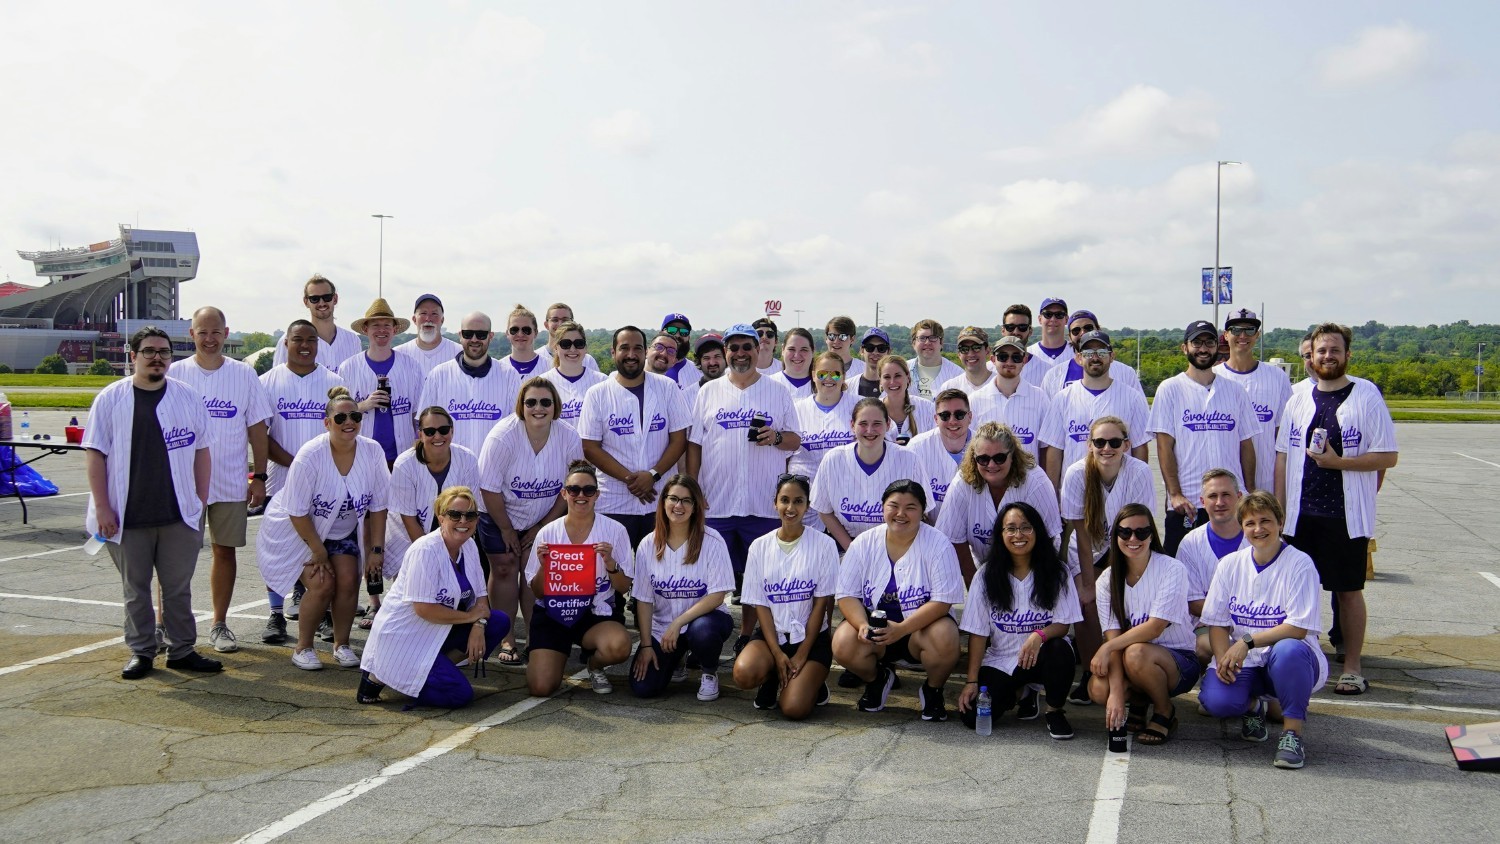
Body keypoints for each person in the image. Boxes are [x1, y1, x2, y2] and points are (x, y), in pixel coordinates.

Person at [84, 326, 218, 679]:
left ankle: (182, 650)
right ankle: (142, 651)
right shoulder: (111, 399)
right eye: (149, 351)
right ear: (133, 356)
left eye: (164, 352)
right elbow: (95, 455)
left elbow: (202, 451)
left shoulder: (187, 397)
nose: (157, 357)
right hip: (126, 515)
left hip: (177, 514)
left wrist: (200, 501)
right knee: (136, 590)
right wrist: (102, 507)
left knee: (177, 589)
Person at [1275, 322, 1398, 697]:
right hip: (1300, 515)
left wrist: (1337, 463)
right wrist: (1279, 512)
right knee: (1296, 592)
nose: (1327, 356)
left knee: (1347, 591)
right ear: (1310, 355)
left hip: (1345, 516)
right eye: (1321, 350)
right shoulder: (1298, 398)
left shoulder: (1366, 395)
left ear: (1347, 355)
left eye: (1335, 350)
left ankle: (1353, 668)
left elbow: (1388, 456)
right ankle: (1304, 659)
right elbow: (1283, 457)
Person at [255, 386, 390, 670]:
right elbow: (297, 510)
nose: (349, 422)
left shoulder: (372, 451)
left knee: (350, 580)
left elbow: (378, 507)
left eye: (355, 416)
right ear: (327, 422)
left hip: (341, 530)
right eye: (340, 418)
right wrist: (317, 550)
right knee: (322, 584)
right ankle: (303, 647)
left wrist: (376, 549)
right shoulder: (310, 455)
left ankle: (341, 645)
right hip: (298, 532)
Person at [685, 323, 801, 643]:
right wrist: (694, 489)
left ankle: (749, 635)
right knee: (707, 577)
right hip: (717, 503)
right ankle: (700, 638)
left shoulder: (777, 390)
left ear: (758, 349)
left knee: (757, 579)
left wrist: (775, 437)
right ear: (725, 352)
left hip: (763, 503)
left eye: (746, 347)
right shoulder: (707, 392)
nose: (740, 354)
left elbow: (794, 440)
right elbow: (694, 443)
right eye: (733, 348)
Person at [1200, 492, 1329, 769]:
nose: (1258, 529)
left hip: (1288, 660)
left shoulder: (1300, 563)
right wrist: (1224, 660)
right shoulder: (1230, 565)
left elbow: (1297, 628)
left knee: (1290, 650)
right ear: (1242, 528)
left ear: (1280, 522)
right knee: (1216, 702)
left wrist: (1246, 641)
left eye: (1265, 521)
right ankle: (1252, 707)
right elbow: (1217, 622)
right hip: (1245, 660)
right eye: (1250, 523)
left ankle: (1292, 734)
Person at [171, 306, 272, 654]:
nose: (209, 339)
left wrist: (259, 476)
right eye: (202, 332)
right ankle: (163, 624)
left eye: (216, 332)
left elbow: (258, 429)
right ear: (191, 334)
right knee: (173, 556)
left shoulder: (244, 375)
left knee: (224, 550)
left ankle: (219, 623)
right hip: (183, 484)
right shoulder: (175, 374)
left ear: (226, 334)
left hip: (230, 481)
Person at [357, 486, 512, 708]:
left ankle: (431, 670)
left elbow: (481, 599)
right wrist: (471, 618)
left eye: (470, 515)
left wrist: (479, 624)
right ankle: (382, 675)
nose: (463, 520)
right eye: (455, 514)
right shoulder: (425, 550)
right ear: (441, 518)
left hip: (436, 631)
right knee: (460, 696)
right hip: (405, 639)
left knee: (498, 621)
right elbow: (424, 610)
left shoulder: (468, 546)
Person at [833, 480, 964, 720]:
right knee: (843, 641)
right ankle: (878, 679)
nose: (901, 514)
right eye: (893, 505)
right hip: (878, 633)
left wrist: (902, 629)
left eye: (911, 507)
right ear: (882, 507)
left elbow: (943, 601)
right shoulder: (864, 542)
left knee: (945, 636)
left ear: (922, 512)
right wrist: (862, 625)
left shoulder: (938, 543)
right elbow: (847, 594)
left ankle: (933, 689)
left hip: (920, 631)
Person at [956, 502, 1083, 739]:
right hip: (1002, 659)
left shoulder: (1057, 571)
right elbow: (977, 633)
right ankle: (1020, 692)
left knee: (1060, 649)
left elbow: (1064, 623)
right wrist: (971, 681)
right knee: (973, 717)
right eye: (1010, 529)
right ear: (1001, 535)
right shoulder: (986, 575)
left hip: (1042, 655)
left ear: (1037, 531)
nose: (1018, 535)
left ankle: (1054, 710)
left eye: (1026, 527)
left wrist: (1039, 635)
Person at [480, 378, 584, 666]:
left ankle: (536, 638)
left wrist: (541, 528)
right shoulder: (502, 436)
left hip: (544, 515)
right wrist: (506, 529)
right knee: (504, 568)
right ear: (521, 406)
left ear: (555, 406)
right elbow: (488, 488)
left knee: (532, 569)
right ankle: (507, 637)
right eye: (531, 402)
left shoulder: (568, 436)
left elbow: (571, 486)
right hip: (500, 513)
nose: (538, 408)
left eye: (545, 402)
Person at [1059, 415, 1157, 704]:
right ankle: (1093, 670)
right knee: (1087, 601)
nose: (1107, 448)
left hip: (1129, 545)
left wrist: (1113, 577)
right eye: (1099, 442)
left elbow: (1138, 526)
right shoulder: (1076, 473)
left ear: (1126, 444)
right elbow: (1080, 532)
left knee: (1121, 599)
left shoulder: (1138, 471)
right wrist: (1090, 583)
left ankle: (1129, 668)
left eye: (1114, 442)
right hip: (1086, 548)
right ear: (1089, 444)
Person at [258, 319, 345, 642]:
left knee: (322, 548)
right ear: (286, 344)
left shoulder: (334, 382)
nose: (305, 345)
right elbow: (260, 436)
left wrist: (315, 469)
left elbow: (344, 430)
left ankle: (322, 614)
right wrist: (298, 466)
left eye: (311, 339)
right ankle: (276, 615)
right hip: (281, 481)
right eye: (298, 339)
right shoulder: (267, 382)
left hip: (327, 484)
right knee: (278, 550)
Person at [1088, 505, 1199, 747]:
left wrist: (1106, 648)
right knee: (1099, 689)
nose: (1133, 539)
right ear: (1115, 535)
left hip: (1178, 661)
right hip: (1132, 659)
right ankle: (1138, 702)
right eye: (1125, 533)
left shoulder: (1171, 569)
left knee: (1135, 652)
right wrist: (1116, 694)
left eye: (1141, 532)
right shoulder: (1107, 579)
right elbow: (1114, 639)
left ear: (1152, 534)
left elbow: (1154, 628)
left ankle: (1164, 711)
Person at [1150, 320, 1261, 555]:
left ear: (1217, 347)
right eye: (1196, 342)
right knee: (1182, 573)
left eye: (1209, 342)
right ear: (1185, 348)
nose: (1203, 348)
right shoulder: (1170, 389)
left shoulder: (1235, 390)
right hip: (1188, 502)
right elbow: (1164, 447)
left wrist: (1248, 489)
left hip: (1231, 501)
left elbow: (1246, 444)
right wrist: (1175, 494)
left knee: (1234, 569)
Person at [733, 474, 839, 719]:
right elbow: (761, 607)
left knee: (793, 709)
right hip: (774, 635)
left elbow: (821, 605)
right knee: (743, 674)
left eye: (798, 501)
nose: (791, 508)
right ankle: (771, 675)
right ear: (775, 503)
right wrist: (778, 653)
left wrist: (801, 654)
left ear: (807, 506)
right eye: (785, 500)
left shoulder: (824, 545)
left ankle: (813, 682)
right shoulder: (759, 546)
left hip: (811, 640)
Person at [525, 462, 635, 695]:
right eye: (574, 490)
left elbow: (624, 586)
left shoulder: (615, 530)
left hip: (595, 614)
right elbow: (537, 592)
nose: (581, 495)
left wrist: (610, 565)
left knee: (618, 646)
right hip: (553, 613)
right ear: (564, 493)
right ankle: (554, 656)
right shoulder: (548, 533)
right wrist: (544, 568)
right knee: (541, 687)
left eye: (588, 490)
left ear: (597, 494)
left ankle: (594, 666)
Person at [581, 326, 691, 548]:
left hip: (660, 499)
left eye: (637, 348)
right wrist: (632, 480)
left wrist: (652, 475)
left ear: (645, 352)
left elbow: (679, 440)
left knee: (661, 567)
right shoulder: (597, 394)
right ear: (613, 352)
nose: (631, 355)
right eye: (624, 348)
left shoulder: (667, 388)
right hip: (614, 501)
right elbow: (590, 447)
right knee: (613, 570)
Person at [628, 475, 736, 700]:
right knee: (644, 689)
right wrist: (647, 645)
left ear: (696, 506)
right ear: (663, 502)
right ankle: (676, 659)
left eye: (687, 501)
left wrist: (678, 622)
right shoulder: (648, 544)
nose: (679, 506)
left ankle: (708, 672)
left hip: (704, 621)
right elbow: (644, 599)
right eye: (673, 499)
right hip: (663, 630)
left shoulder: (712, 540)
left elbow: (717, 595)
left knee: (703, 632)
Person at [382, 407, 482, 630]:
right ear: (420, 434)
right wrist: (432, 554)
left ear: (452, 431)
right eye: (430, 431)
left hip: (456, 535)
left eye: (443, 429)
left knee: (453, 597)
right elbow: (408, 517)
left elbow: (468, 509)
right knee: (417, 603)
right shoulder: (405, 463)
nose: (437, 436)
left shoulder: (467, 459)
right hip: (410, 539)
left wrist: (451, 554)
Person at [937, 422, 1062, 584]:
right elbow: (954, 537)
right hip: (983, 568)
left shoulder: (1036, 482)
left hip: (1033, 567)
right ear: (974, 459)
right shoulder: (962, 482)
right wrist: (975, 583)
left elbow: (1050, 537)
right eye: (983, 459)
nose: (991, 465)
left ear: (1013, 456)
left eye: (999, 458)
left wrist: (1032, 583)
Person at [811, 398, 930, 552]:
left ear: (888, 425)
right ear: (852, 425)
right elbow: (824, 510)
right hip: (846, 546)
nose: (869, 430)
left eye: (877, 424)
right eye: (863, 424)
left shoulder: (909, 458)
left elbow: (922, 510)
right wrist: (852, 549)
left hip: (897, 547)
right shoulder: (833, 459)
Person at [1040, 330, 1149, 494]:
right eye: (1089, 353)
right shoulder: (1062, 398)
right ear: (1079, 358)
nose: (1095, 357)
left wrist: (1139, 489)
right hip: (1075, 493)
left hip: (1121, 493)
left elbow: (1140, 447)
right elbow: (1055, 451)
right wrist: (1053, 495)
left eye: (1102, 352)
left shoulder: (1132, 397)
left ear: (1112, 357)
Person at [1214, 309, 1292, 494]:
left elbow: (1284, 434)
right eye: (1236, 330)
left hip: (1268, 480)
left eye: (1249, 330)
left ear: (1257, 335)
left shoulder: (1277, 377)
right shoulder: (1214, 377)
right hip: (1224, 483)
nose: (1243, 335)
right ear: (1226, 335)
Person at [338, 298, 423, 466]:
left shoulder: (412, 366)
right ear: (365, 329)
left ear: (394, 329)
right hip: (360, 458)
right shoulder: (348, 368)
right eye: (375, 325)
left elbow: (418, 415)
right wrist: (363, 405)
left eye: (387, 325)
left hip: (403, 457)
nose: (381, 330)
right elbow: (337, 416)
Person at [1176, 468, 1248, 662]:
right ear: (1202, 502)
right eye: (1213, 496)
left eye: (1226, 495)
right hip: (1207, 625)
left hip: (1255, 625)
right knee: (1205, 646)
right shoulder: (1190, 543)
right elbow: (1193, 603)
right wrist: (1242, 612)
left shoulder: (1257, 537)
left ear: (1239, 497)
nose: (1219, 502)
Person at [418, 312, 512, 458]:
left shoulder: (509, 375)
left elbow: (517, 428)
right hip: (450, 468)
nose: (474, 339)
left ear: (491, 336)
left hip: (496, 468)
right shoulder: (438, 375)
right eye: (468, 334)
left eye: (481, 334)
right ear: (460, 335)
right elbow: (424, 427)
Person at [788, 352, 858, 529]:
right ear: (813, 375)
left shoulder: (859, 406)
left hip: (848, 499)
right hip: (805, 501)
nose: (828, 378)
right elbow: (785, 456)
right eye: (822, 374)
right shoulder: (796, 409)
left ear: (843, 376)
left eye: (835, 373)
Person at [969, 335, 1050, 465]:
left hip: (1028, 480)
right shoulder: (975, 399)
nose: (1009, 362)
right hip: (988, 480)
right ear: (993, 359)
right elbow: (970, 448)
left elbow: (1046, 447)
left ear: (1024, 360)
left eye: (1016, 357)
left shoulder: (1040, 397)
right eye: (1003, 356)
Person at [1039, 311, 1144, 397]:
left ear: (1098, 329)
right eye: (1076, 330)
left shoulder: (1126, 373)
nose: (1082, 333)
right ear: (1070, 337)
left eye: (1088, 328)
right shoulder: (1053, 375)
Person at [903, 388, 972, 519]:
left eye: (959, 414)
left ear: (970, 417)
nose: (952, 421)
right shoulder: (916, 447)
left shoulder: (985, 446)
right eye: (945, 415)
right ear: (936, 419)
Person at [272, 274, 362, 371]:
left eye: (327, 297)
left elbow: (357, 382)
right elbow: (277, 380)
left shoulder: (353, 340)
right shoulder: (290, 340)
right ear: (306, 302)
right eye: (314, 299)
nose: (322, 303)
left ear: (335, 299)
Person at [540, 319, 606, 430]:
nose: (572, 349)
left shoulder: (603, 381)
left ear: (585, 347)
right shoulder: (542, 383)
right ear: (556, 347)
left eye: (579, 344)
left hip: (592, 447)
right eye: (565, 344)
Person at [394, 293, 463, 377]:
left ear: (442, 320)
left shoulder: (460, 353)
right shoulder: (398, 354)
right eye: (423, 313)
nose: (428, 318)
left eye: (434, 314)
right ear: (414, 319)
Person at [878, 356, 934, 445]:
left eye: (898, 376)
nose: (892, 382)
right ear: (880, 380)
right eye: (887, 377)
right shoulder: (872, 410)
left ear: (907, 377)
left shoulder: (927, 408)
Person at [907, 318, 963, 399]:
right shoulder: (901, 370)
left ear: (941, 343)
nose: (927, 342)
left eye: (933, 337)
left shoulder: (958, 375)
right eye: (922, 338)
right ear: (913, 343)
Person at [538, 302, 599, 372]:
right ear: (546, 325)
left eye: (565, 320)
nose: (560, 324)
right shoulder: (536, 358)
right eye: (555, 320)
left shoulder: (588, 361)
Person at [499, 304, 552, 383]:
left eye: (526, 330)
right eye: (514, 330)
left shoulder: (551, 366)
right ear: (507, 333)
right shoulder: (498, 368)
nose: (520, 334)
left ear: (536, 333)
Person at [1026, 297, 1073, 384]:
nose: (1053, 319)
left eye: (1059, 315)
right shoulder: (1027, 354)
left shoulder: (1077, 353)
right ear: (1040, 319)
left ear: (1066, 319)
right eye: (1048, 314)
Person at [940, 326, 993, 395]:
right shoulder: (949, 388)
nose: (970, 354)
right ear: (959, 354)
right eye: (964, 349)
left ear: (987, 351)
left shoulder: (1002, 385)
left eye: (976, 348)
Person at [768, 327, 816, 398]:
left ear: (813, 351)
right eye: (791, 349)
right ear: (783, 350)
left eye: (804, 350)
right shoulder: (767, 384)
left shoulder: (824, 386)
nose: (797, 355)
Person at [682, 332, 725, 411]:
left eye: (717, 356)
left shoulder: (739, 389)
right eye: (706, 358)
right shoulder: (686, 396)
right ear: (699, 361)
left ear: (726, 358)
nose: (712, 362)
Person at [659, 313, 702, 388]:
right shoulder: (644, 369)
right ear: (661, 333)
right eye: (672, 330)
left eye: (683, 332)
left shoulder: (700, 373)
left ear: (688, 337)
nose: (677, 335)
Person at [822, 315, 863, 379]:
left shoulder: (864, 369)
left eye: (842, 336)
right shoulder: (816, 368)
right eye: (831, 336)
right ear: (826, 338)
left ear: (852, 339)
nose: (836, 341)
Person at [854, 328, 890, 398]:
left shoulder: (896, 387)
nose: (875, 352)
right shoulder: (849, 386)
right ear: (862, 350)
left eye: (881, 348)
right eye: (870, 347)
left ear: (888, 352)